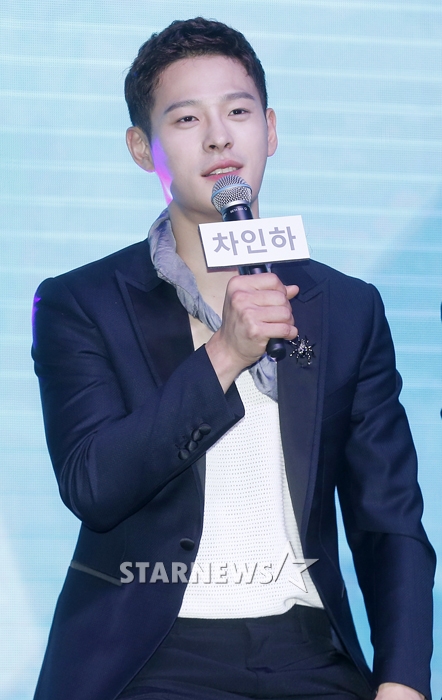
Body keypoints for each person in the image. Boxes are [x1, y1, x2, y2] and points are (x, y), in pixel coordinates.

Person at [31, 17, 435, 700]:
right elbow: (93, 486)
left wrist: (403, 678)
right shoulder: (83, 302)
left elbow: (387, 516)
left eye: (239, 112)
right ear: (142, 148)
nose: (219, 137)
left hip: (308, 651)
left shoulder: (347, 306)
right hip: (152, 656)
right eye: (187, 118)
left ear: (270, 130)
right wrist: (223, 354)